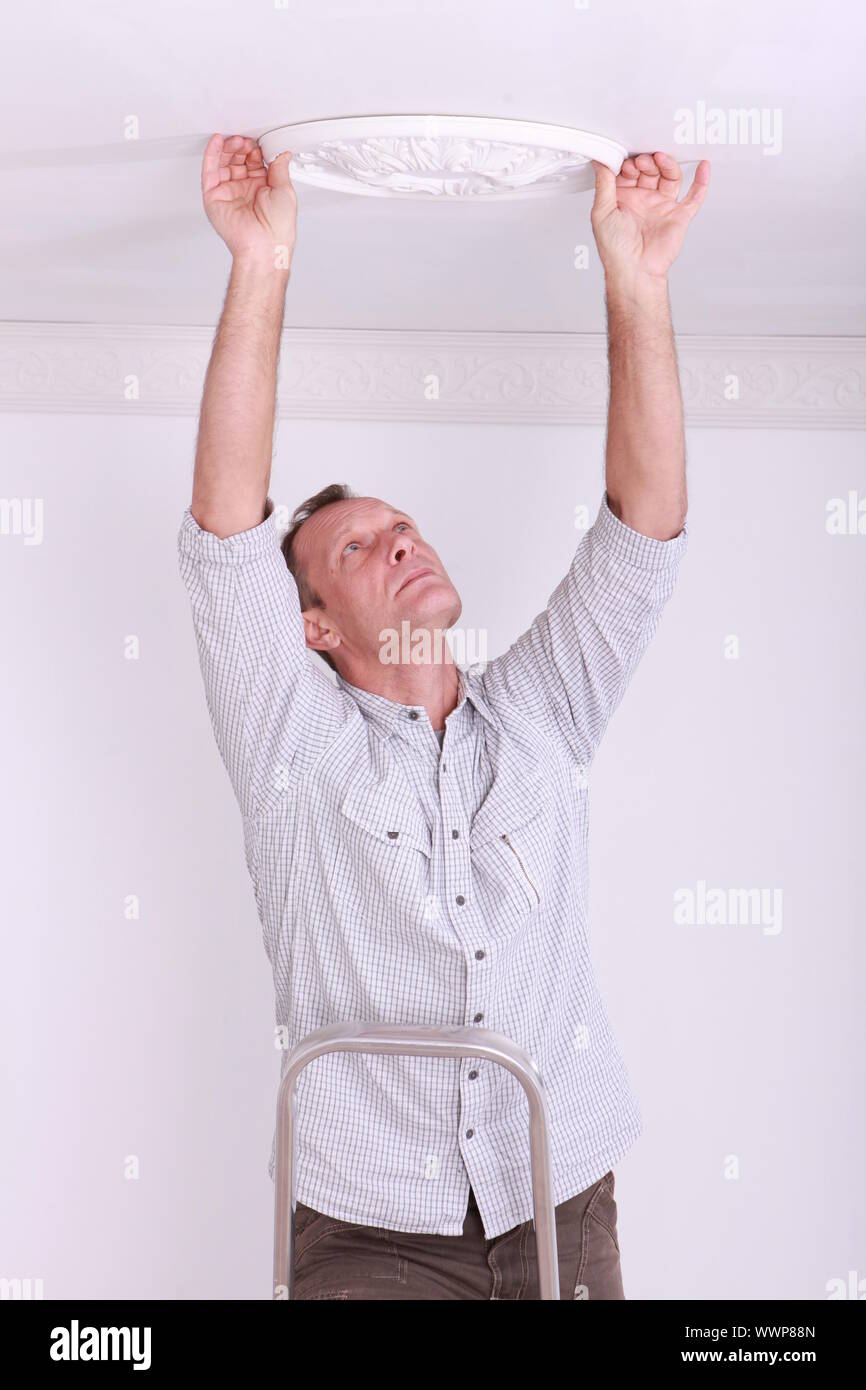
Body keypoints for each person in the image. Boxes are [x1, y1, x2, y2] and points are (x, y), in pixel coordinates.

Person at [177, 132, 710, 1300]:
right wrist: (260, 264)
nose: (399, 540)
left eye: (400, 523)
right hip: (374, 1233)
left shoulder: (542, 712)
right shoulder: (294, 747)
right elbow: (224, 546)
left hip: (560, 1195)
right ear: (312, 624)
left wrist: (635, 275)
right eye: (356, 547)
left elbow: (643, 534)